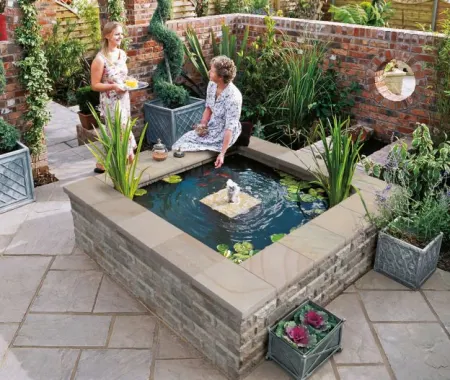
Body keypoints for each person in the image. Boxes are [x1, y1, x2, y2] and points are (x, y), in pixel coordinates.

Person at [172, 55, 242, 169]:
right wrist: (203, 124)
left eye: (212, 71)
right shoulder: (212, 84)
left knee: (192, 146)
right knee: (181, 142)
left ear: (221, 77)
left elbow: (230, 128)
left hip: (225, 132)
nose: (209, 72)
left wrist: (222, 154)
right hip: (212, 125)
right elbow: (209, 108)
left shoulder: (233, 98)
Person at [90, 21, 136, 173]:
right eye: (117, 34)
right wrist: (114, 86)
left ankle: (103, 163)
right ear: (107, 36)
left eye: (121, 34)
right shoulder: (99, 59)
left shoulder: (121, 54)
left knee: (119, 130)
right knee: (121, 129)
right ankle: (129, 160)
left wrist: (129, 82)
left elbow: (122, 76)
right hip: (110, 101)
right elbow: (95, 85)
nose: (120, 36)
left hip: (123, 99)